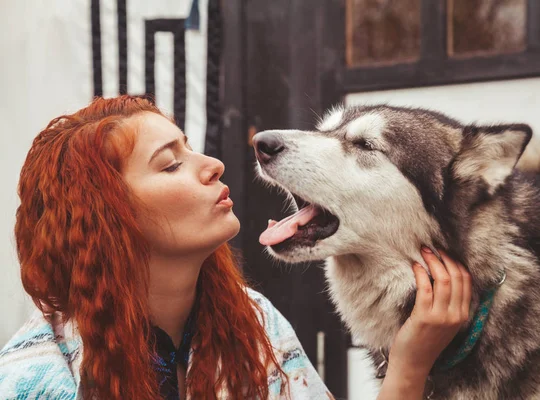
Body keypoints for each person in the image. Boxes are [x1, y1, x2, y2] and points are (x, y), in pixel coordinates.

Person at [0, 95, 471, 400]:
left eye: (191, 148)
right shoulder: (38, 373)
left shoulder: (256, 326)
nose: (213, 165)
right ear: (106, 217)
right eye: (170, 166)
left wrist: (409, 364)